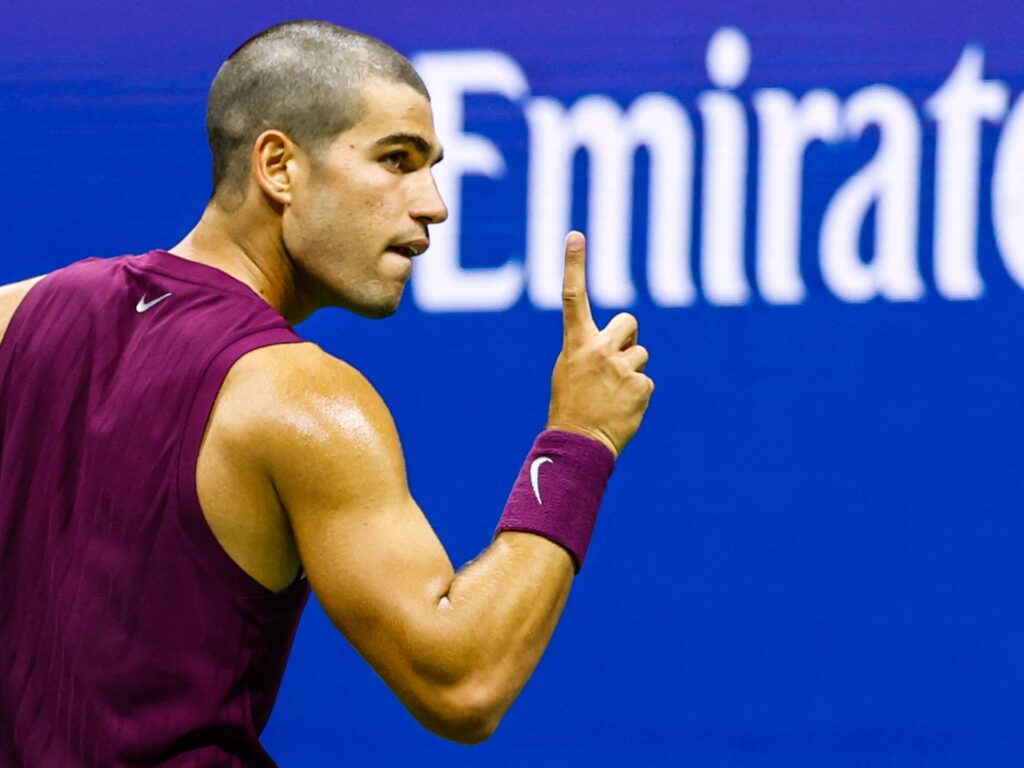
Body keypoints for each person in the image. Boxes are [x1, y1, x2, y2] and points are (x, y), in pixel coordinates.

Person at [0, 19, 653, 767]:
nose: (435, 204)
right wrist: (580, 440)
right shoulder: (302, 398)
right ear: (278, 166)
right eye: (397, 160)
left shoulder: (15, 314)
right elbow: (464, 682)